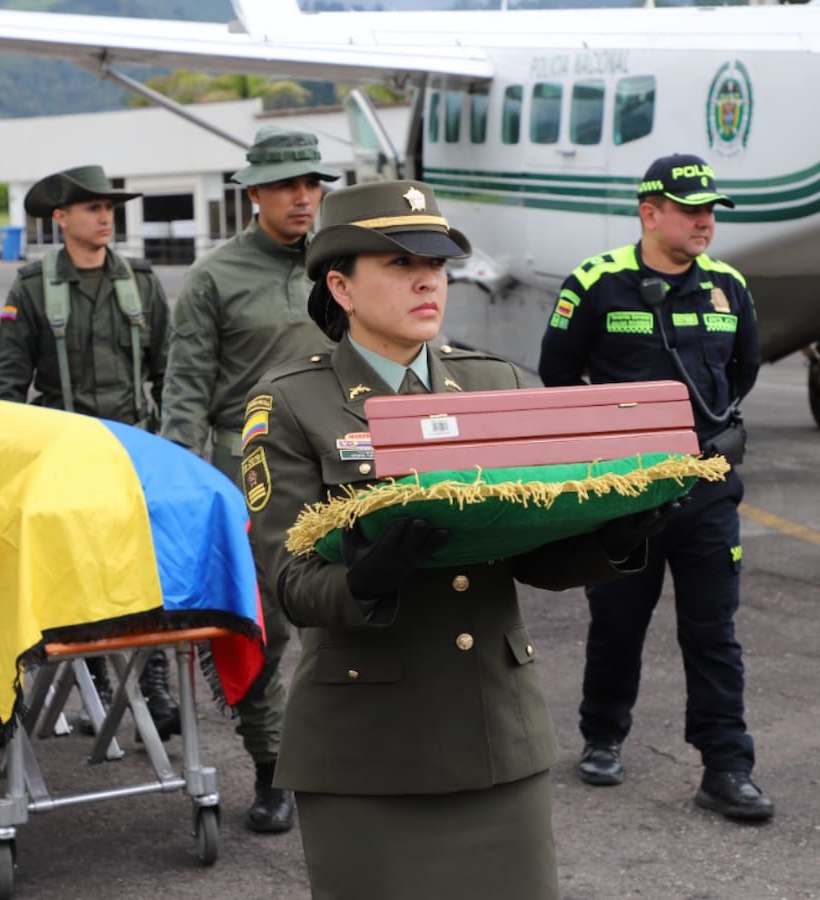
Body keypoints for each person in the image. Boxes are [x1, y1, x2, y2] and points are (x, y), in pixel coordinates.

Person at [242, 179, 666, 899]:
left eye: (435, 266)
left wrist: (613, 535)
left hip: (492, 729)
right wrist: (366, 578)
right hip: (366, 748)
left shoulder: (493, 385)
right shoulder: (286, 403)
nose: (426, 282)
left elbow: (535, 548)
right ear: (341, 287)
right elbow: (288, 578)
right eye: (400, 266)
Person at [538, 153, 771, 821]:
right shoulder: (595, 283)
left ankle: (726, 765)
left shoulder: (729, 285)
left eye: (710, 211)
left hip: (705, 488)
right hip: (624, 491)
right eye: (690, 209)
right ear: (650, 213)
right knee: (617, 622)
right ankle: (602, 734)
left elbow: (743, 371)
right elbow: (559, 375)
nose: (704, 222)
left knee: (713, 631)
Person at [160, 125, 339, 834]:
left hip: (342, 459)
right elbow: (185, 391)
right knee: (264, 628)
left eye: (312, 183)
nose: (304, 197)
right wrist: (181, 485)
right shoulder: (214, 277)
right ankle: (272, 768)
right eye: (289, 185)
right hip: (253, 469)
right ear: (254, 193)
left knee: (349, 615)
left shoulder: (342, 265)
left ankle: (341, 757)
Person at [0, 164, 177, 739]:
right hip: (64, 456)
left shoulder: (140, 282)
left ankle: (153, 681)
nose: (104, 217)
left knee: (147, 569)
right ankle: (91, 678)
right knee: (76, 571)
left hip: (133, 452)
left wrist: (170, 447)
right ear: (61, 218)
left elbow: (171, 373)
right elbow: (6, 389)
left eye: (109, 208)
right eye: (92, 208)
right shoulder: (32, 287)